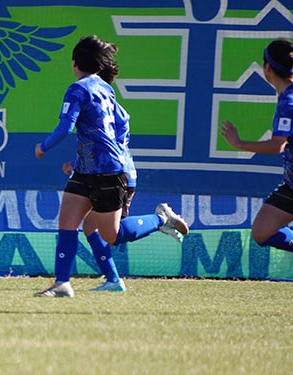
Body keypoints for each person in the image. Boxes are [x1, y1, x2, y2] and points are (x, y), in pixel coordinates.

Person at [34, 36, 187, 297]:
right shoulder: (105, 89)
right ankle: (62, 283)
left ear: (74, 64)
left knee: (112, 235)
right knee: (69, 221)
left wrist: (43, 147)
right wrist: (80, 161)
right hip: (88, 170)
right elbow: (118, 127)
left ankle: (161, 218)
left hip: (108, 172)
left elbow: (65, 127)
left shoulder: (78, 89)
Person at [220, 38, 293, 253]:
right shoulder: (286, 97)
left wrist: (239, 143)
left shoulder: (289, 102)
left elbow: (277, 145)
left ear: (267, 67)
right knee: (262, 232)